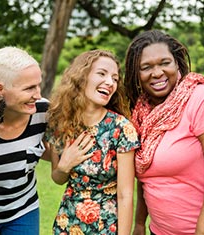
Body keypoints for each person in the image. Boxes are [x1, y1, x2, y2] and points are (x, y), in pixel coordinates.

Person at [124, 29, 204, 235]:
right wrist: (139, 223)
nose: (157, 73)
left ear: (177, 64)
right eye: (146, 67)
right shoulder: (141, 113)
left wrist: (202, 231)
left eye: (165, 63)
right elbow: (147, 175)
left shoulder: (201, 98)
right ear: (137, 74)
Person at [45, 49, 140, 235]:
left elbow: (125, 195)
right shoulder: (60, 122)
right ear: (82, 77)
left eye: (114, 78)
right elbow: (57, 178)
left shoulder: (121, 128)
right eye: (102, 74)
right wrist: (64, 165)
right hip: (67, 224)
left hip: (106, 227)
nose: (110, 82)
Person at [0, 46, 49, 234]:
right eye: (29, 88)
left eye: (38, 85)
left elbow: (47, 150)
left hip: (24, 209)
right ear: (0, 89)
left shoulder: (43, 112)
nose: (38, 94)